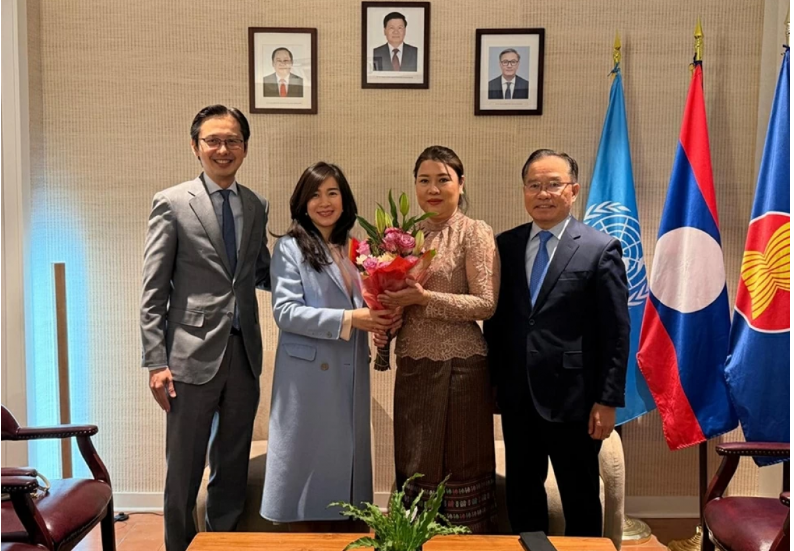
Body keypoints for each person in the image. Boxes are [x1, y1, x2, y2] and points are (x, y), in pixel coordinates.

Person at [141, 104, 271, 551]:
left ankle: (222, 544)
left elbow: (261, 271)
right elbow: (153, 290)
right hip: (188, 357)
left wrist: (324, 271)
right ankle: (179, 545)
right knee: (184, 470)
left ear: (245, 148)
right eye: (213, 140)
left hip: (244, 353)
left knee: (231, 466)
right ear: (195, 146)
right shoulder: (172, 202)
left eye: (232, 140)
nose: (223, 149)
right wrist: (155, 361)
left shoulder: (256, 205)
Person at [483, 149, 629, 536]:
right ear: (524, 191)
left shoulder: (600, 248)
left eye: (553, 184)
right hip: (518, 397)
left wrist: (608, 400)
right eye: (534, 185)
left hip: (575, 400)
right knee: (522, 493)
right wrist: (493, 383)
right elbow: (497, 321)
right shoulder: (506, 245)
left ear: (573, 190)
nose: (543, 194)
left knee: (580, 497)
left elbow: (616, 333)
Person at [261, 162, 401, 530]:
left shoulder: (356, 247)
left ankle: (345, 522)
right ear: (302, 203)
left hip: (349, 366)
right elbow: (285, 312)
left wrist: (380, 321)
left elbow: (368, 300)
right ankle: (305, 528)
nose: (324, 202)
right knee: (309, 461)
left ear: (344, 199)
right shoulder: (289, 247)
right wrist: (351, 319)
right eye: (315, 195)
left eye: (332, 193)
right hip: (308, 374)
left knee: (345, 456)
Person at [378, 145, 500, 534]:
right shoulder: (403, 238)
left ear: (460, 184)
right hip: (413, 366)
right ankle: (413, 538)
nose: (433, 189)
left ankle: (467, 540)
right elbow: (391, 296)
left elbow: (486, 304)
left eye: (443, 179)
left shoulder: (473, 232)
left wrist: (424, 298)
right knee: (414, 461)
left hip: (461, 369)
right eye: (424, 180)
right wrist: (385, 315)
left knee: (460, 464)